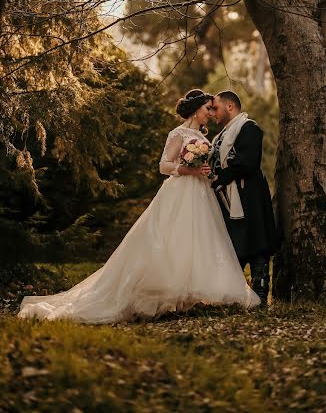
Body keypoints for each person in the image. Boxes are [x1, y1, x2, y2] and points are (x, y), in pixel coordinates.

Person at [18, 89, 259, 323]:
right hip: (179, 192)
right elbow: (164, 166)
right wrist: (190, 169)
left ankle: (187, 297)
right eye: (208, 108)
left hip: (201, 194)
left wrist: (204, 172)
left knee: (197, 239)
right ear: (196, 110)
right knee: (170, 238)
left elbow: (205, 168)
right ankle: (161, 292)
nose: (211, 113)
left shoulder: (206, 139)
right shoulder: (178, 134)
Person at [210, 91, 278, 304]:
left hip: (249, 195)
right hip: (228, 198)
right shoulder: (220, 136)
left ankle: (259, 293)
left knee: (256, 240)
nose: (213, 113)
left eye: (216, 108)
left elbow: (247, 162)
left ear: (230, 106)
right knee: (234, 242)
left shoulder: (249, 128)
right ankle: (234, 293)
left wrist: (219, 178)